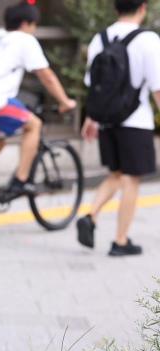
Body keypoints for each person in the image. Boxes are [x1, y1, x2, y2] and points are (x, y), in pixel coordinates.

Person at [76, 0, 160, 256]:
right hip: (136, 121)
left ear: (115, 9)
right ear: (143, 8)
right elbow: (157, 87)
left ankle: (90, 216)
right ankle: (121, 241)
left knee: (116, 173)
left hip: (106, 120)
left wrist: (91, 118)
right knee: (131, 180)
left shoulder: (99, 39)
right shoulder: (148, 40)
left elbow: (94, 84)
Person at [0, 1, 77, 198]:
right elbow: (47, 76)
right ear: (26, 23)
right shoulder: (24, 39)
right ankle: (21, 181)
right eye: (34, 25)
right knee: (34, 125)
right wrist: (65, 102)